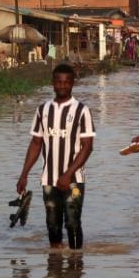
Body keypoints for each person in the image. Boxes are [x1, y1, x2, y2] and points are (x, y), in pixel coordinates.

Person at [17, 64, 96, 250]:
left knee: (72, 221)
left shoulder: (82, 111)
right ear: (53, 83)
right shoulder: (42, 110)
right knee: (52, 223)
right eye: (59, 82)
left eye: (66, 82)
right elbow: (36, 144)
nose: (62, 86)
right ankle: (55, 267)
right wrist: (24, 174)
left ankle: (76, 266)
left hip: (74, 181)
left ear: (72, 84)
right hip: (49, 180)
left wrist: (68, 175)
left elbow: (88, 147)